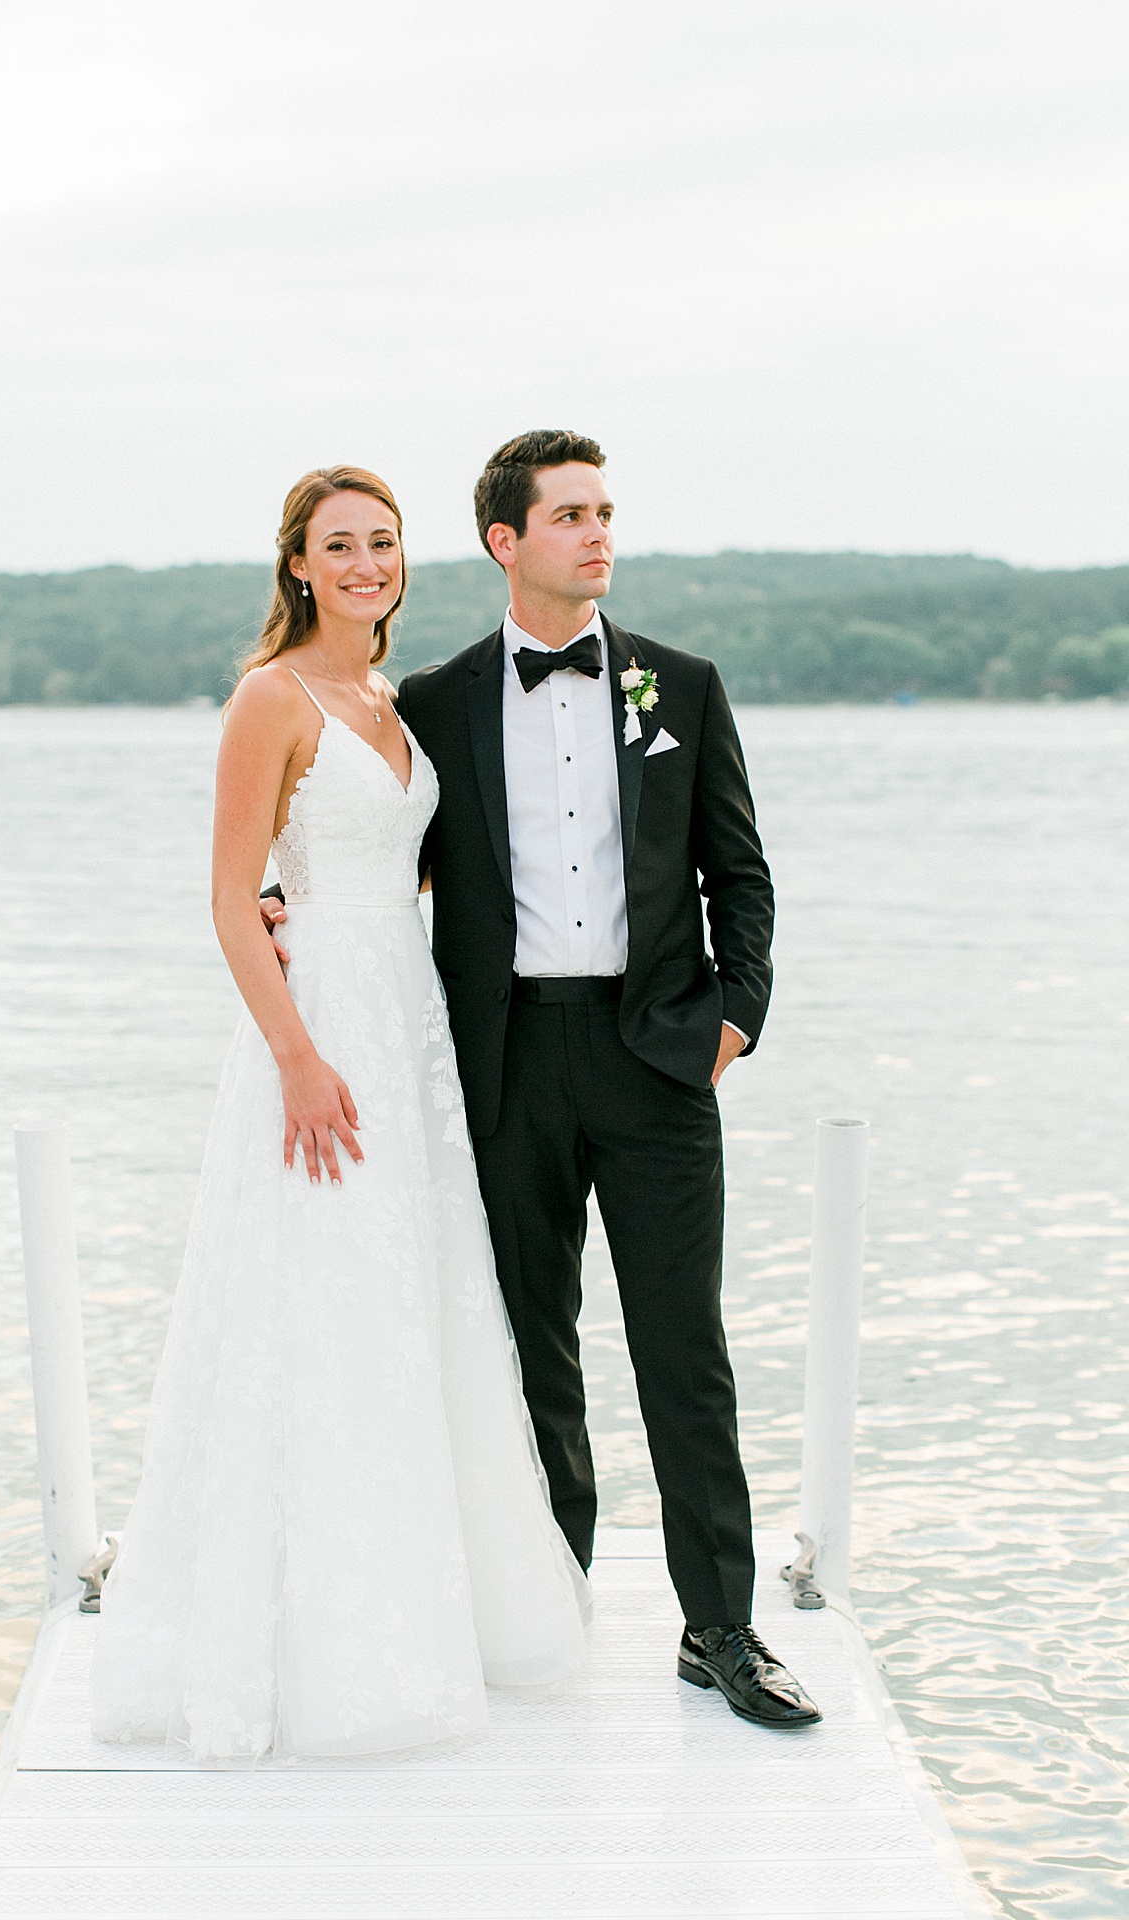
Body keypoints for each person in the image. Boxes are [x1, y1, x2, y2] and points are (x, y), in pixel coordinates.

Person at [89, 465, 588, 1763]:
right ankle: (316, 1650)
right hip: (322, 1039)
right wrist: (297, 1054)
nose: (366, 562)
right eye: (339, 545)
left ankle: (433, 1608)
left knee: (412, 1299)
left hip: (406, 1020)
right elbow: (228, 894)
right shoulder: (272, 696)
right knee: (316, 1302)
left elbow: (416, 866)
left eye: (383, 542)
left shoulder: (391, 703)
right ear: (298, 566)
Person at [390, 429, 819, 1728]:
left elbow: (739, 872)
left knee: (684, 1350)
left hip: (657, 1062)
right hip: (509, 1061)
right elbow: (379, 861)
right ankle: (545, 1604)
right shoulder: (437, 703)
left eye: (604, 511)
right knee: (532, 1352)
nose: (597, 533)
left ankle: (724, 1632)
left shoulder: (678, 688)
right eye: (568, 515)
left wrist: (732, 1017)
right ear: (503, 540)